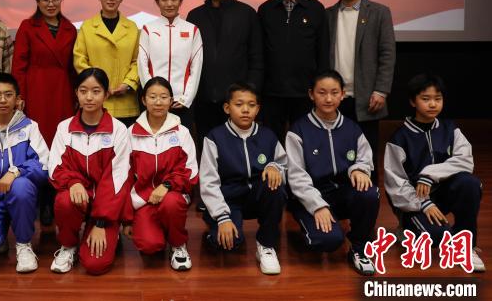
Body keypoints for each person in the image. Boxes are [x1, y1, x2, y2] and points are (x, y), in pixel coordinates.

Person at [384, 73, 485, 272]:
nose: (433, 104)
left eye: (438, 99)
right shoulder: (399, 139)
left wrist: (429, 174)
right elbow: (395, 184)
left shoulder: (450, 129)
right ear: (412, 101)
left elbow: (465, 160)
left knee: (470, 183)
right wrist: (424, 202)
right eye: (426, 98)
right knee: (436, 237)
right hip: (414, 203)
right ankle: (407, 229)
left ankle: (466, 246)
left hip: (444, 195)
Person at [285, 70, 378, 276]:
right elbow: (296, 176)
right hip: (311, 198)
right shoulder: (298, 131)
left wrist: (360, 169)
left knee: (370, 192)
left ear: (343, 94)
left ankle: (359, 248)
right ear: (311, 94)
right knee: (329, 241)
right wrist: (318, 206)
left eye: (334, 92)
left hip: (343, 194)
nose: (328, 99)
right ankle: (312, 227)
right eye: (322, 92)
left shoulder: (352, 128)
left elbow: (365, 158)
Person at [48, 68, 132, 274]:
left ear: (106, 94)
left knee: (95, 265)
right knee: (64, 200)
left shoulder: (119, 130)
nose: (89, 97)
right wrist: (73, 182)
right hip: (79, 197)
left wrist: (101, 223)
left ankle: (110, 230)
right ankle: (68, 245)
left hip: (106, 206)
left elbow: (117, 180)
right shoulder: (64, 128)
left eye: (96, 91)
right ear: (76, 93)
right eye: (83, 91)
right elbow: (55, 167)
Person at [199, 82, 286, 275]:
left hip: (257, 197)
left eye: (251, 105)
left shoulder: (268, 136)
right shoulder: (214, 137)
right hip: (228, 200)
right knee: (228, 244)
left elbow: (284, 164)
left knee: (274, 185)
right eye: (239, 104)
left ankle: (266, 245)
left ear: (258, 109)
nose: (245, 110)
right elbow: (208, 181)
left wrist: (275, 167)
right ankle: (215, 227)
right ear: (227, 108)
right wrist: (222, 217)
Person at [0, 73, 49, 273]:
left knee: (21, 186)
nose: (3, 100)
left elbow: (43, 166)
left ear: (18, 99)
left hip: (21, 196)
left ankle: (23, 244)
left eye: (8, 95)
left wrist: (15, 172)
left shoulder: (30, 127)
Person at [12, 0, 77, 225]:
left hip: (62, 91)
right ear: (37, 2)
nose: (51, 4)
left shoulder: (70, 29)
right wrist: (20, 96)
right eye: (46, 0)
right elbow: (19, 64)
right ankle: (41, 201)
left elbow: (73, 68)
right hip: (36, 90)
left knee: (60, 144)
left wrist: (76, 96)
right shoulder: (27, 26)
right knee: (39, 145)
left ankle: (56, 196)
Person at [326, 0, 395, 183]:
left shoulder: (379, 12)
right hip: (334, 97)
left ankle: (369, 193)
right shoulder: (327, 14)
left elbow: (387, 54)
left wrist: (381, 90)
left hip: (367, 96)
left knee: (367, 151)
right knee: (336, 150)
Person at [122, 77, 198, 271]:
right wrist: (127, 219)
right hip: (143, 201)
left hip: (173, 195)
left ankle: (178, 244)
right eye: (153, 97)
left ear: (171, 101)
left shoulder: (182, 132)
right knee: (150, 246)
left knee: (171, 203)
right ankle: (161, 229)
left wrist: (167, 186)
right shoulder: (131, 134)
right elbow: (124, 178)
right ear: (143, 100)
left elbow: (190, 172)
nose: (158, 102)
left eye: (164, 97)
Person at [187, 0, 262, 146]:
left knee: (238, 148)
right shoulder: (195, 16)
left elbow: (257, 56)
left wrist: (250, 90)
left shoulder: (247, 13)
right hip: (203, 98)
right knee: (207, 145)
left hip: (237, 100)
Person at [257, 0, 329, 142]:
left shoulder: (316, 9)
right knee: (272, 141)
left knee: (305, 141)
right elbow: (259, 51)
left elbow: (323, 51)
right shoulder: (266, 9)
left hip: (305, 91)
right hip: (272, 91)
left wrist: (320, 87)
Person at [73, 0, 140, 126]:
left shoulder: (132, 27)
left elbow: (138, 61)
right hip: (95, 100)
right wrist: (99, 84)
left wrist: (128, 84)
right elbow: (79, 59)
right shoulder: (87, 27)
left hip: (125, 101)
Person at [138, 0, 203, 129]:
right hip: (155, 103)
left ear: (181, 1)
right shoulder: (148, 29)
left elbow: (196, 67)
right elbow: (142, 64)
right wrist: (152, 96)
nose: (169, 4)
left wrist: (186, 99)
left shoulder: (192, 30)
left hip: (181, 102)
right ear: (157, 2)